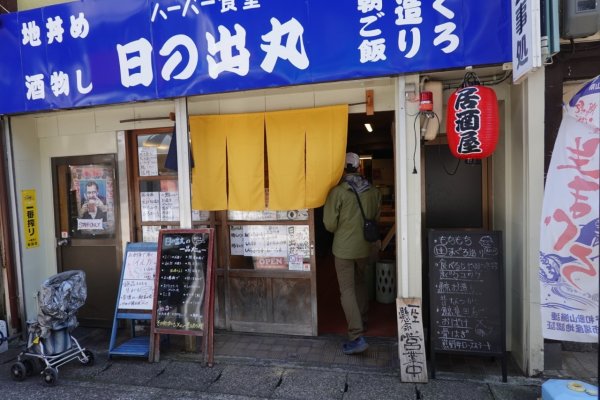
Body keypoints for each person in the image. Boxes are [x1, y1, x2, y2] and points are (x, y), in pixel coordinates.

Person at [323, 152, 381, 355]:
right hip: (365, 246)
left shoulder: (338, 192)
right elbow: (376, 218)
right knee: (360, 282)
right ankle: (363, 319)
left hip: (344, 249)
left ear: (342, 169)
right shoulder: (373, 191)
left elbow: (329, 225)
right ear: (359, 167)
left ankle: (356, 336)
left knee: (346, 290)